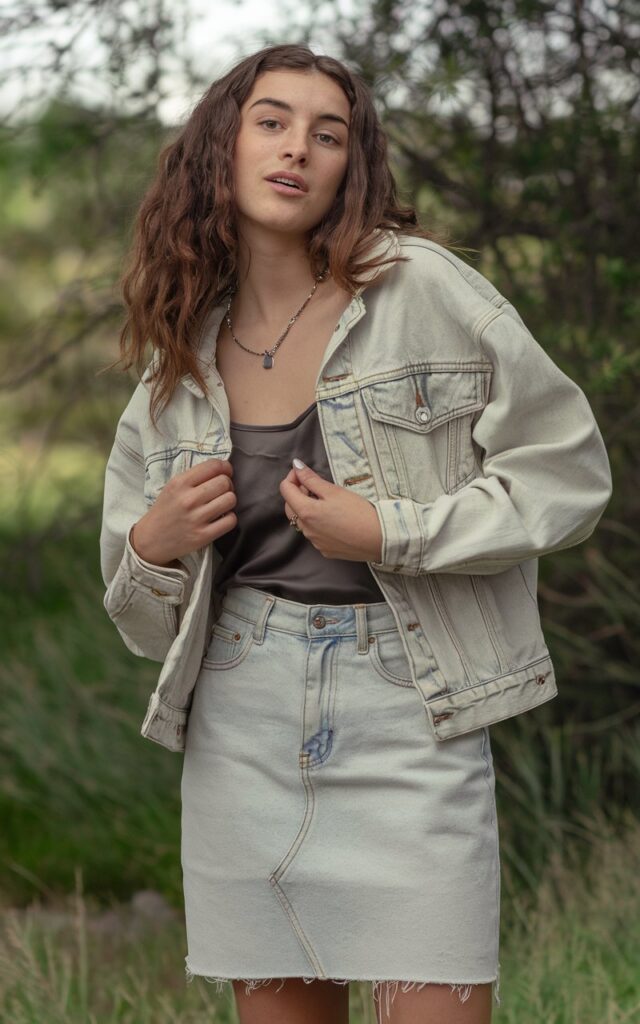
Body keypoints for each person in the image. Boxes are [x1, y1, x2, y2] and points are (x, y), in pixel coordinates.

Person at [99, 43, 612, 1024]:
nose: (297, 148)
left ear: (353, 163)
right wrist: (152, 548)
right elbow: (139, 623)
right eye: (272, 121)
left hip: (411, 710)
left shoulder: (422, 288)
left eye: (326, 133)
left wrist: (394, 529)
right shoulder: (180, 346)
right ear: (222, 146)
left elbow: (567, 472)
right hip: (241, 718)